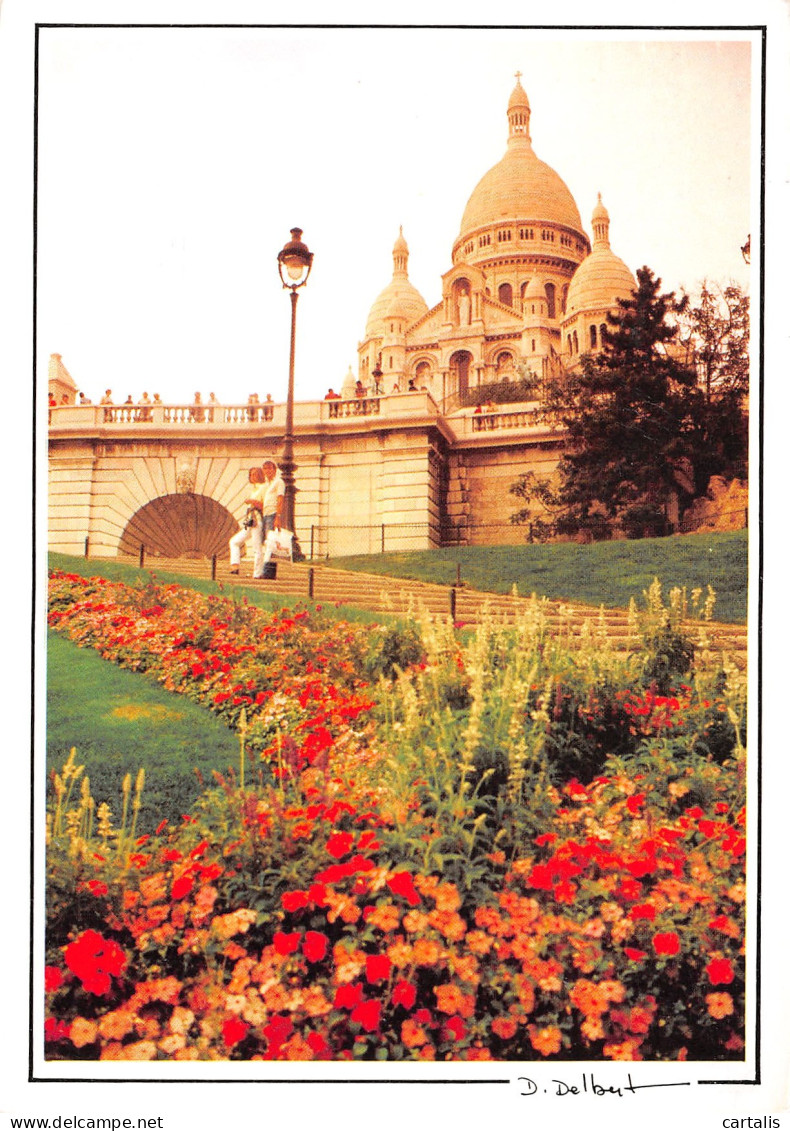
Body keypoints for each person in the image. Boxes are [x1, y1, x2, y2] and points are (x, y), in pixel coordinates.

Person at [228, 466, 266, 575]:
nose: (253, 477)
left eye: (255, 474)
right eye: (251, 475)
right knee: (234, 541)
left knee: (256, 547)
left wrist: (252, 501)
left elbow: (265, 505)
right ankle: (235, 566)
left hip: (257, 520)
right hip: (250, 520)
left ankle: (257, 573)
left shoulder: (264, 488)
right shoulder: (254, 489)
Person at [254, 459, 285, 579]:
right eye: (265, 469)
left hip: (272, 514)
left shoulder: (279, 482)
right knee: (267, 542)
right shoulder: (267, 484)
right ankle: (267, 571)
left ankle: (268, 572)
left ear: (274, 470)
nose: (267, 471)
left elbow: (280, 499)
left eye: (269, 468)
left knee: (270, 542)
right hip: (265, 514)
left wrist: (278, 516)